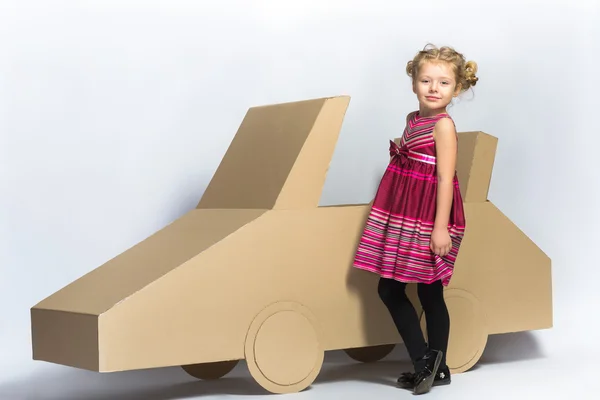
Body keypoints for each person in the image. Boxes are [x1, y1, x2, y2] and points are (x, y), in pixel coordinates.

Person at [352, 44, 478, 395]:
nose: (434, 88)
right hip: (406, 215)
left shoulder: (443, 127)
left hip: (429, 217)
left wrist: (440, 228)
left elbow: (444, 178)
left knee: (429, 291)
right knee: (393, 287)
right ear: (414, 84)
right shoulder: (413, 119)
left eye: (443, 82)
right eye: (426, 80)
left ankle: (428, 364)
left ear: (457, 89)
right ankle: (433, 366)